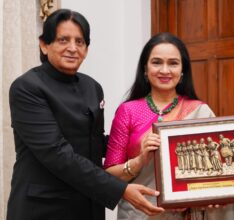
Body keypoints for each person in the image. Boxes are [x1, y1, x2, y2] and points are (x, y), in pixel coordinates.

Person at [7, 9, 163, 220]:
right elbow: (57, 153)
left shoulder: (92, 87)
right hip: (44, 208)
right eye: (63, 40)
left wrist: (141, 142)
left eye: (80, 42)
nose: (72, 48)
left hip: (88, 205)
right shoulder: (27, 88)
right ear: (44, 45)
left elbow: (94, 141)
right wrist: (120, 189)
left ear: (87, 48)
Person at [104, 32, 234, 220]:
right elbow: (110, 176)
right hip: (140, 213)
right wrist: (140, 160)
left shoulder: (200, 111)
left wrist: (207, 194)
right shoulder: (128, 111)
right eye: (157, 62)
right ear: (145, 68)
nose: (165, 70)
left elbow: (217, 173)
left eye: (173, 63)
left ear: (183, 70)